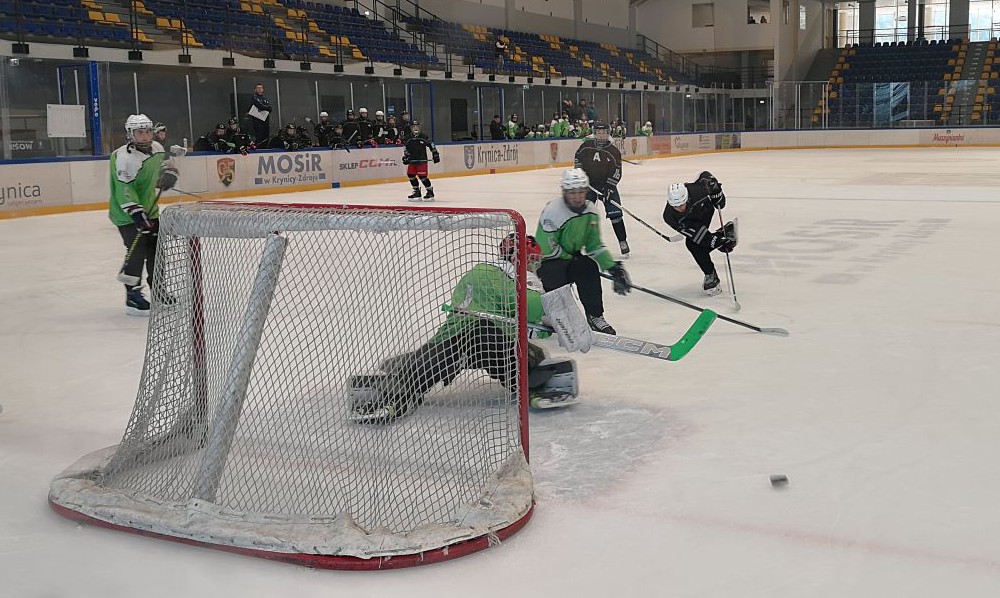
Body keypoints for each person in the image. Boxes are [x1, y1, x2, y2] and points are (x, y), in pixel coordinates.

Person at [349, 234, 593, 424]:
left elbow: (512, 314)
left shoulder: (485, 270)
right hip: (479, 339)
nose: (533, 267)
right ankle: (530, 386)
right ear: (518, 258)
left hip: (460, 338)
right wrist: (556, 322)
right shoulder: (505, 275)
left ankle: (404, 376)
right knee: (506, 353)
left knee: (440, 358)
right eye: (532, 261)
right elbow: (529, 305)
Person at [535, 168, 631, 335]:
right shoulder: (553, 211)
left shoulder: (590, 211)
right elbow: (545, 249)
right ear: (564, 191)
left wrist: (613, 267)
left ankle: (595, 316)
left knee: (589, 267)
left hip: (572, 258)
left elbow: (594, 245)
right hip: (548, 262)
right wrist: (569, 258)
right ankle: (556, 316)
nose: (577, 197)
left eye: (581, 192)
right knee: (555, 274)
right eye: (572, 193)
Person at [108, 114, 179, 316]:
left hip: (151, 209)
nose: (146, 136)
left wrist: (168, 175)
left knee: (157, 251)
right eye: (140, 132)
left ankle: (158, 289)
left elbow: (165, 165)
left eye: (148, 131)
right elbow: (125, 190)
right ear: (131, 134)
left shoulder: (157, 148)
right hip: (126, 213)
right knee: (137, 249)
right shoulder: (124, 158)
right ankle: (132, 295)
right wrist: (137, 214)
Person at [662, 171, 737, 295]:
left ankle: (721, 238)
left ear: (687, 197)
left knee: (697, 244)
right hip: (691, 222)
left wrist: (717, 192)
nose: (680, 208)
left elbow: (705, 176)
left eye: (682, 204)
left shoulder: (697, 191)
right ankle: (711, 272)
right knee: (693, 244)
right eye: (676, 206)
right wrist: (718, 242)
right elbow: (698, 235)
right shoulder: (669, 217)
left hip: (703, 210)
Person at [574, 121, 630, 257]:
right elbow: (578, 159)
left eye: (604, 132)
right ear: (595, 133)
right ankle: (579, 242)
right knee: (584, 214)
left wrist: (609, 188)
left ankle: (623, 241)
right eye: (599, 132)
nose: (601, 135)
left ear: (608, 133)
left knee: (615, 214)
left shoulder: (614, 151)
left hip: (606, 185)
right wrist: (581, 175)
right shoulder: (586, 146)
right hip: (589, 185)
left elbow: (617, 172)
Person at [402, 121, 440, 201]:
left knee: (422, 177)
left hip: (421, 160)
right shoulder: (408, 138)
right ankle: (417, 192)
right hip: (412, 160)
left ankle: (430, 191)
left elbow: (431, 145)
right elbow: (406, 149)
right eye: (414, 127)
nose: (415, 128)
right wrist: (406, 157)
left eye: (417, 127)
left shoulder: (423, 136)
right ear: (411, 128)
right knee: (411, 175)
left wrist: (435, 154)